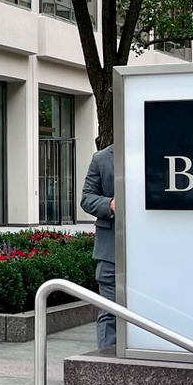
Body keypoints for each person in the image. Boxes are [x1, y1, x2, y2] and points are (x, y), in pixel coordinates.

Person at [81, 144, 116, 350]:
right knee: (109, 313)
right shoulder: (101, 158)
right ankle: (106, 367)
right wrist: (110, 204)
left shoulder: (156, 151)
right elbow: (86, 198)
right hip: (110, 252)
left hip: (150, 252)